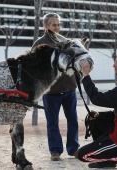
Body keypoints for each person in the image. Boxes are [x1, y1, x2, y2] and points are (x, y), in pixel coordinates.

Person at [32, 13, 79, 161]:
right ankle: (55, 151)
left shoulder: (67, 42)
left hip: (70, 88)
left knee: (73, 120)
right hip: (51, 91)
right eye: (54, 25)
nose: (57, 28)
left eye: (58, 25)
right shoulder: (39, 44)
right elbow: (33, 67)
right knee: (52, 122)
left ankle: (73, 149)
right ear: (46, 26)